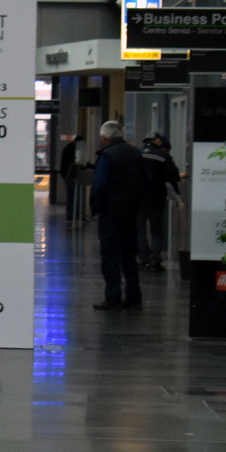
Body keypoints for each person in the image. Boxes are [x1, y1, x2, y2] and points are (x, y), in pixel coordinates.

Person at [90, 120, 146, 311]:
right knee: (129, 256)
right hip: (130, 212)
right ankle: (134, 298)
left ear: (105, 138)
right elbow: (146, 181)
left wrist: (99, 207)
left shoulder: (107, 156)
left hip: (111, 213)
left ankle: (113, 297)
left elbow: (99, 185)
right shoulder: (136, 153)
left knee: (110, 255)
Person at [138, 131, 181, 272]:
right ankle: (155, 261)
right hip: (156, 199)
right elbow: (174, 176)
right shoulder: (162, 156)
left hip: (138, 199)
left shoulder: (136, 154)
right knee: (156, 231)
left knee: (140, 231)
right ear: (157, 141)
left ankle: (143, 260)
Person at [59, 134, 85, 221]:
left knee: (71, 195)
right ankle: (74, 216)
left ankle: (72, 215)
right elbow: (77, 161)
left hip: (66, 174)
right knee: (73, 195)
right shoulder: (73, 148)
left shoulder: (69, 147)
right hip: (69, 174)